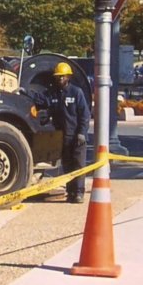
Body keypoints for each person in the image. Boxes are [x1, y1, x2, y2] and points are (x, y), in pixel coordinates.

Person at [26, 62, 91, 203]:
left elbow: (84, 115)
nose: (60, 79)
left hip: (76, 136)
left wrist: (82, 133)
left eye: (62, 76)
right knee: (67, 165)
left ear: (68, 77)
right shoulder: (53, 94)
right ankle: (71, 192)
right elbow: (41, 100)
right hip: (63, 137)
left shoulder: (76, 92)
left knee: (78, 165)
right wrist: (24, 92)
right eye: (58, 77)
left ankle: (79, 192)